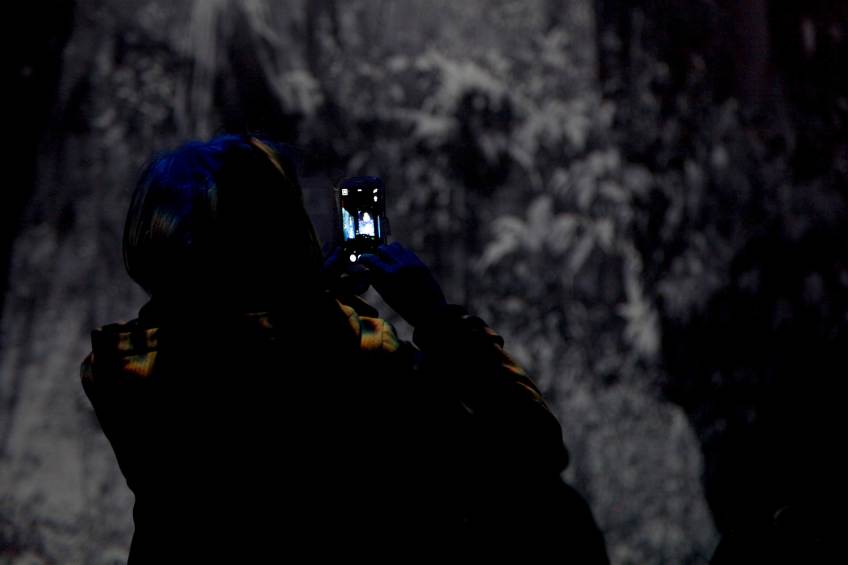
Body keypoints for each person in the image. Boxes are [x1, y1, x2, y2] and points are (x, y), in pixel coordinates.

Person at [81, 134, 609, 562]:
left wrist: (304, 297)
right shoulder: (363, 353)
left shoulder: (119, 368)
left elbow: (218, 337)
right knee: (557, 513)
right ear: (285, 234)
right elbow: (536, 444)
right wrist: (434, 315)